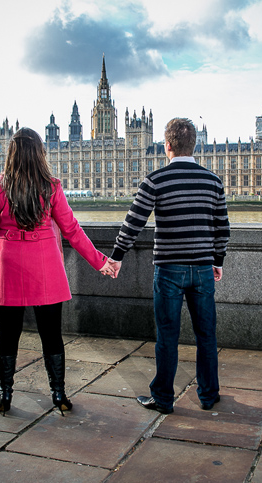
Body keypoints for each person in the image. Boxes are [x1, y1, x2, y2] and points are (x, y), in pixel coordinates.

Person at [0, 127, 115, 417]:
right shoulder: (51, 187)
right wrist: (100, 261)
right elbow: (72, 230)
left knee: (7, 335)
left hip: (8, 267)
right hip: (45, 267)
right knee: (51, 335)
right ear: (39, 154)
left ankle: (5, 394)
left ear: (11, 154)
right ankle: (58, 394)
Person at [103, 118, 230, 414]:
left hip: (169, 269)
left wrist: (117, 256)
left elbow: (133, 222)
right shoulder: (213, 181)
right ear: (194, 145)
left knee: (167, 337)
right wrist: (217, 260)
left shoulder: (155, 180)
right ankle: (209, 395)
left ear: (167, 146)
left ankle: (163, 398)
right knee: (206, 336)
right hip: (202, 269)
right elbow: (222, 229)